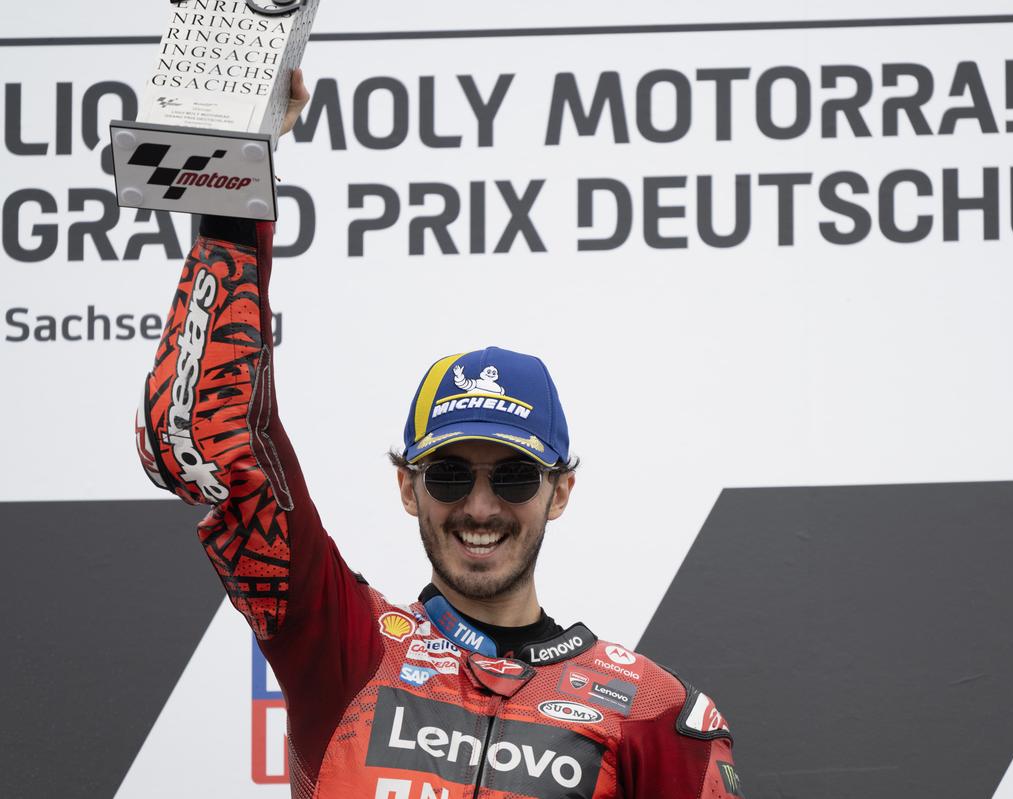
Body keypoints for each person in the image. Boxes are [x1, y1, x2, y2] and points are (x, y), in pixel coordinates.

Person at [134, 71, 743, 799]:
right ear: (406, 485)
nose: (479, 506)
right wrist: (232, 160)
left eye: (513, 476)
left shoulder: (653, 713)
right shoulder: (345, 646)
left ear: (560, 490)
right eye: (450, 474)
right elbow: (209, 435)